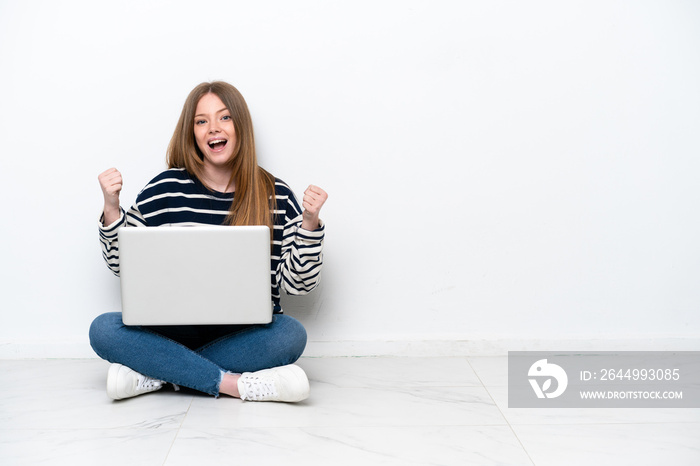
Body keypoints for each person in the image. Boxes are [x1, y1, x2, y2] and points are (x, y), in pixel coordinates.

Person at [89, 81, 328, 402]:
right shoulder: (165, 188)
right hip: (170, 334)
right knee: (103, 330)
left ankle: (157, 374)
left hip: (243, 335)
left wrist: (310, 225)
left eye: (224, 117)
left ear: (240, 126)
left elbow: (299, 286)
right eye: (202, 121)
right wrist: (111, 208)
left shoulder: (276, 194)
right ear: (192, 133)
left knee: (290, 336)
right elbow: (122, 266)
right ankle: (233, 384)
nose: (213, 128)